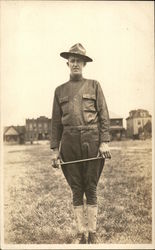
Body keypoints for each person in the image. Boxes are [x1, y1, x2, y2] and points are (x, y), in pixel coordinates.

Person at [50, 43, 111, 244]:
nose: (75, 64)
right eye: (72, 60)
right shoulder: (59, 91)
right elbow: (56, 123)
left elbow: (104, 116)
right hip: (69, 144)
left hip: (92, 142)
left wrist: (104, 143)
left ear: (84, 64)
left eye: (79, 61)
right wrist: (54, 150)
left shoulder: (94, 85)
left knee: (91, 187)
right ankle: (80, 233)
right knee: (76, 188)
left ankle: (92, 233)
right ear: (67, 63)